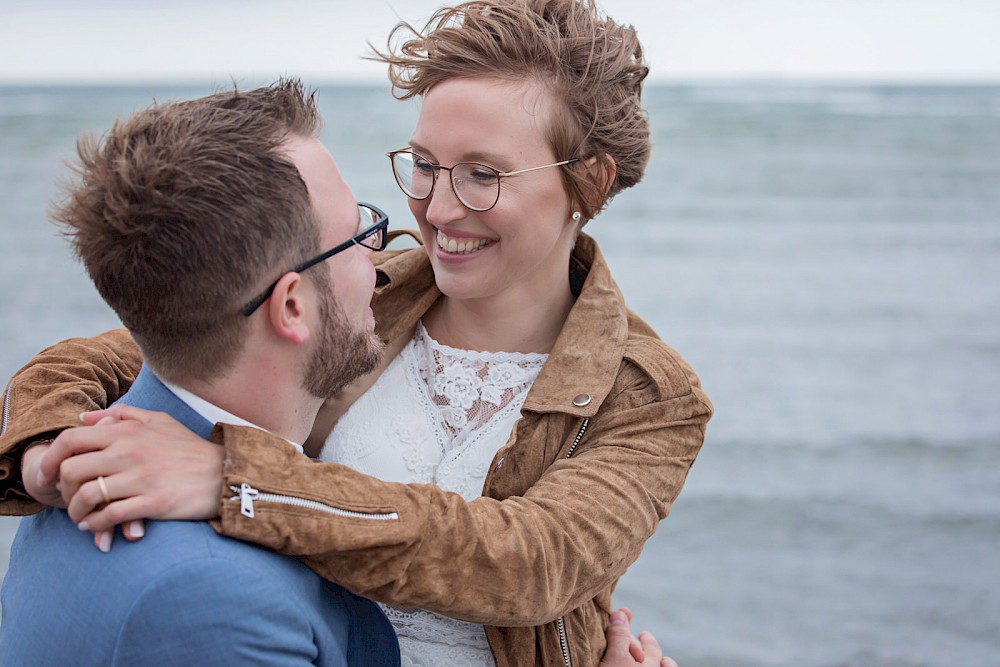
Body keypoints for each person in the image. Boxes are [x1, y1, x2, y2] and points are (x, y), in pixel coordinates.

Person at [0, 1, 711, 665]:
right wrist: (51, 459)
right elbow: (116, 352)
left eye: (483, 175)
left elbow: (531, 560)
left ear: (588, 181)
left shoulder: (650, 395)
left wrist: (239, 481)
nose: (437, 208)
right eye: (425, 165)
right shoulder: (365, 287)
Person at [0, 80, 401, 666]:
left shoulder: (84, 469)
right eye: (357, 237)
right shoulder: (215, 597)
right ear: (292, 306)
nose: (378, 263)